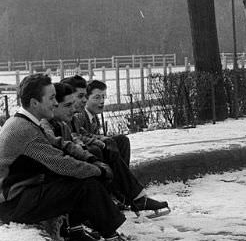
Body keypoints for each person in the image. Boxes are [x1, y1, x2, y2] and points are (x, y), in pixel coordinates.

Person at [0, 74, 155, 241]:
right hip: (12, 204)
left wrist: (90, 159)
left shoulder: (24, 121)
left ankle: (77, 233)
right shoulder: (24, 130)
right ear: (34, 102)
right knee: (85, 185)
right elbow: (60, 162)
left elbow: (60, 144)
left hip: (19, 196)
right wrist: (99, 170)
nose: (55, 103)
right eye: (51, 98)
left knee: (78, 177)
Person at [46, 82, 169, 217]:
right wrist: (92, 147)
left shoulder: (71, 118)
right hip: (65, 166)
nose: (84, 100)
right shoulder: (72, 117)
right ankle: (121, 196)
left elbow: (80, 135)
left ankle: (123, 194)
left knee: (119, 141)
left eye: (85, 96)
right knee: (98, 150)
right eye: (81, 96)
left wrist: (102, 141)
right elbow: (72, 139)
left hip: (75, 154)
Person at [69, 78, 131, 166]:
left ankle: (122, 173)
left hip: (94, 148)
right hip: (86, 153)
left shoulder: (94, 117)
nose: (102, 101)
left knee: (122, 140)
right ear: (87, 99)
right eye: (97, 97)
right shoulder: (80, 116)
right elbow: (78, 136)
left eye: (103, 97)